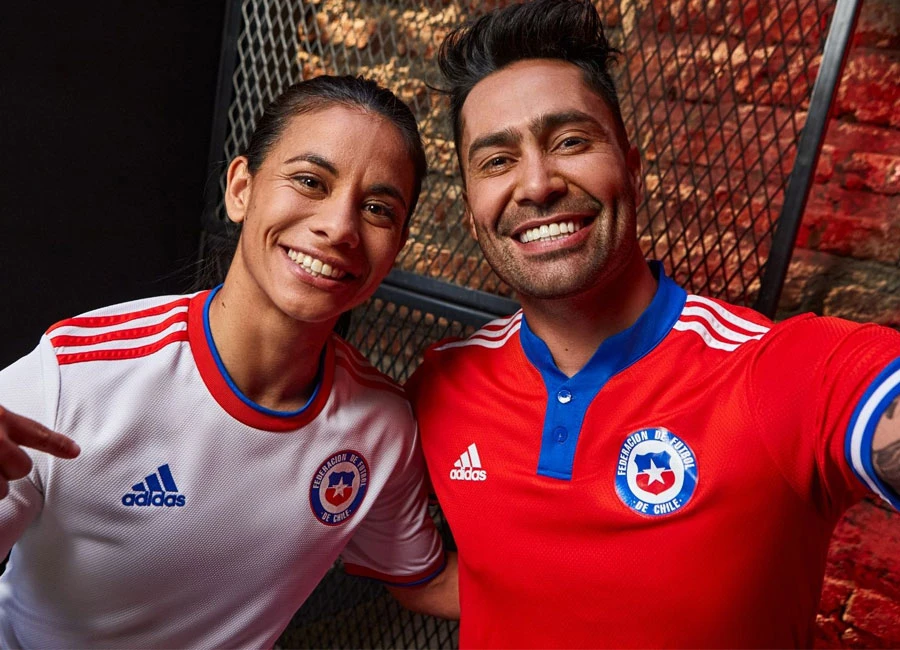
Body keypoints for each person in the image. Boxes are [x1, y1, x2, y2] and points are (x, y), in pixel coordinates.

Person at [405, 1, 900, 647]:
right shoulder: (442, 382)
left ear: (632, 169)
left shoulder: (773, 373)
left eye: (570, 141)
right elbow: (417, 573)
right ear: (473, 212)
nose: (536, 183)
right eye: (496, 160)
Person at [0, 75, 458, 647]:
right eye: (310, 181)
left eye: (376, 209)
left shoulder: (382, 428)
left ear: (397, 247)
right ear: (241, 189)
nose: (339, 227)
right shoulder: (75, 375)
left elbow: (429, 582)